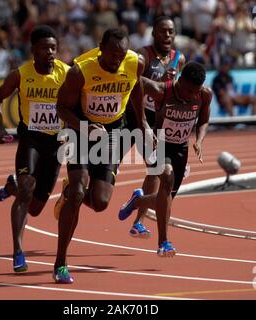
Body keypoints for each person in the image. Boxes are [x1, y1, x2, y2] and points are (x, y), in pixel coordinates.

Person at [53, 28, 154, 284]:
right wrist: (84, 127)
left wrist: (143, 124)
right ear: (100, 49)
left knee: (100, 203)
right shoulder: (80, 71)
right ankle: (61, 263)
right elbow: (61, 107)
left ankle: (67, 192)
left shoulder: (135, 63)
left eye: (120, 56)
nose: (115, 61)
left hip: (112, 132)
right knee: (78, 192)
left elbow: (137, 88)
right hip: (81, 129)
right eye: (111, 55)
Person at [0, 26, 70, 273]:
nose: (50, 53)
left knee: (35, 208)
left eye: (53, 48)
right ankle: (18, 251)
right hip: (31, 140)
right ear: (33, 50)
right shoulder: (21, 75)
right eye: (45, 48)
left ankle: (10, 186)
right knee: (27, 190)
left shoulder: (66, 74)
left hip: (56, 144)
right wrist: (0, 128)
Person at [119, 61, 212, 257]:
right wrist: (143, 121)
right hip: (159, 144)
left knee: (165, 198)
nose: (190, 96)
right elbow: (136, 81)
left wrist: (200, 140)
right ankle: (164, 243)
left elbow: (203, 120)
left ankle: (138, 201)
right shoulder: (162, 90)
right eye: (187, 91)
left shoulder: (204, 95)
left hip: (181, 148)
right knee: (167, 178)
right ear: (180, 81)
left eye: (194, 92)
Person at [125, 15, 186, 238]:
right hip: (132, 116)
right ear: (154, 33)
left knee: (156, 169)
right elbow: (135, 84)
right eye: (163, 31)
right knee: (103, 164)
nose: (167, 35)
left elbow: (178, 90)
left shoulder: (179, 59)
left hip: (156, 119)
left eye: (171, 31)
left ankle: (138, 221)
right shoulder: (143, 55)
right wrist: (159, 87)